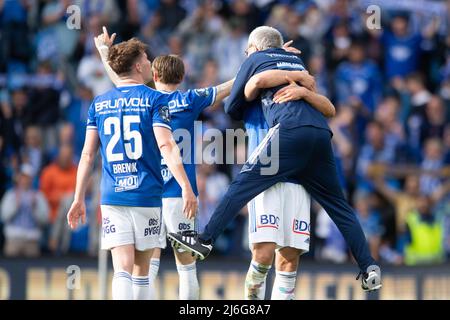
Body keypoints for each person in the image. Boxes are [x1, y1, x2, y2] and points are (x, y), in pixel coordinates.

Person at [169, 26, 382, 292]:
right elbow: (324, 104)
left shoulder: (256, 60)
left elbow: (234, 103)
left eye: (248, 51)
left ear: (256, 49)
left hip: (287, 138)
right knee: (338, 207)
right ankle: (368, 266)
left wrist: (274, 83)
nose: (247, 55)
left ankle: (205, 239)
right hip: (319, 138)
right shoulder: (298, 64)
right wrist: (296, 77)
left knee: (241, 186)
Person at [66, 36, 198, 300]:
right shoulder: (154, 100)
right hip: (146, 195)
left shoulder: (99, 103)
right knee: (142, 269)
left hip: (112, 196)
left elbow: (88, 154)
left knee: (121, 269)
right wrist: (186, 186)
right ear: (138, 66)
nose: (150, 63)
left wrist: (78, 197)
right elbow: (168, 147)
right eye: (146, 59)